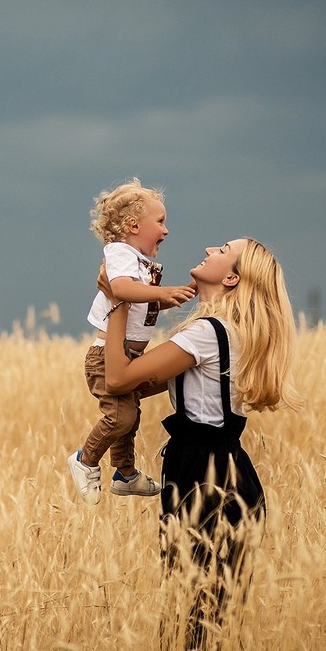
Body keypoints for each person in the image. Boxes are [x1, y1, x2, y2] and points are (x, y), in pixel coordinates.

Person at [98, 237, 302, 651]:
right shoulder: (227, 332)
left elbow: (117, 380)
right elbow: (132, 386)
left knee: (186, 621)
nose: (210, 248)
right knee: (210, 623)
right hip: (232, 475)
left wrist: (117, 299)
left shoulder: (208, 334)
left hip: (201, 476)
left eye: (223, 249)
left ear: (231, 277)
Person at [67, 178, 196, 505]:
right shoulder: (120, 253)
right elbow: (121, 290)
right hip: (106, 359)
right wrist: (162, 291)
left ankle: (124, 474)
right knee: (120, 418)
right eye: (161, 221)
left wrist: (174, 295)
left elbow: (141, 301)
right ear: (133, 225)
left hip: (129, 357)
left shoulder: (139, 262)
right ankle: (85, 459)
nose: (166, 231)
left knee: (129, 414)